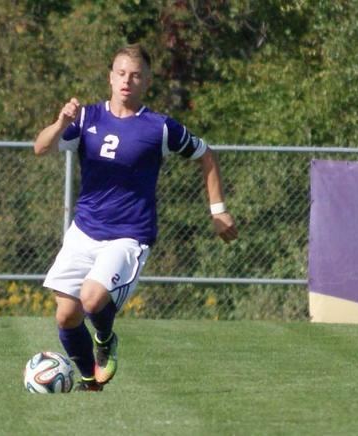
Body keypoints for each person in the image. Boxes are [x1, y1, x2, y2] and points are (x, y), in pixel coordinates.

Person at [33, 44, 238, 392]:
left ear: (147, 81)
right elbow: (40, 147)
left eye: (136, 75)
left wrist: (218, 210)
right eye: (121, 73)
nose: (127, 80)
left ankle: (105, 338)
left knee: (92, 298)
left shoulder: (159, 128)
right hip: (84, 230)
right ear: (110, 77)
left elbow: (206, 155)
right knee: (66, 316)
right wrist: (61, 122)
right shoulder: (85, 118)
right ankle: (89, 383)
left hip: (129, 235)